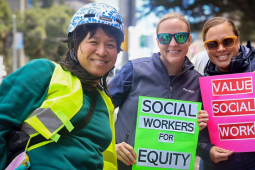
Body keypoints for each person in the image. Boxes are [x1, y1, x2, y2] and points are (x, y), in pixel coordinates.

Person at [0, 3, 124, 170]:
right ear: (74, 44)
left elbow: (107, 161)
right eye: (93, 41)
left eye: (110, 45)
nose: (102, 51)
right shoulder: (45, 72)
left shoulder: (106, 102)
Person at [108, 12, 209, 170]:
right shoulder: (133, 70)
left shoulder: (199, 82)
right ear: (157, 41)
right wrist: (111, 144)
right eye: (165, 38)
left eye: (180, 37)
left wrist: (202, 125)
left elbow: (201, 140)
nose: (173, 43)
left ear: (189, 39)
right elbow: (100, 109)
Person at [200, 17, 255, 170]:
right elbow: (187, 130)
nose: (221, 49)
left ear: (237, 40)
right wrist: (206, 150)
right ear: (206, 48)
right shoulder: (200, 82)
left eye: (227, 41)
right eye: (212, 44)